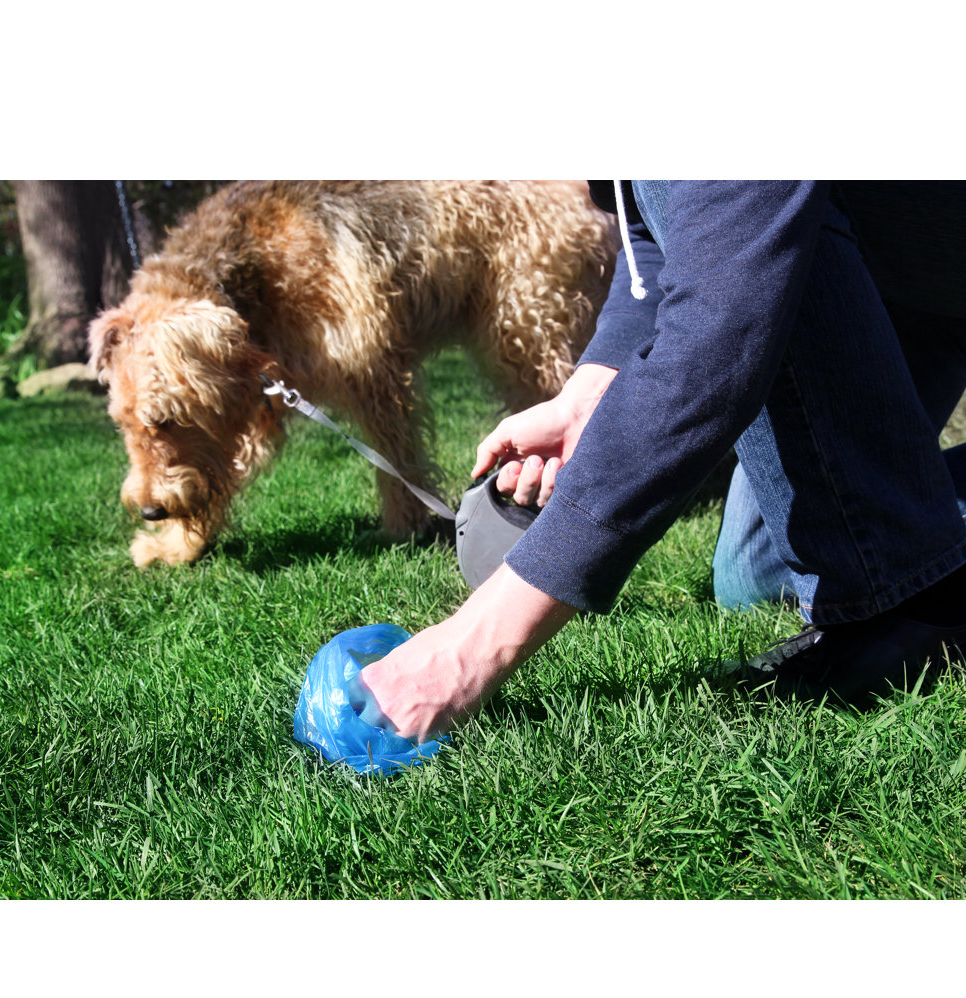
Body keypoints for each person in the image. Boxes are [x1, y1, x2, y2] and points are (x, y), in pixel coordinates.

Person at [360, 181, 966, 743]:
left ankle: (921, 601)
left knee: (872, 581)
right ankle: (917, 538)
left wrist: (470, 649)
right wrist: (586, 394)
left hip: (905, 276)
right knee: (756, 579)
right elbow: (657, 235)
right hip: (880, 277)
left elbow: (716, 347)